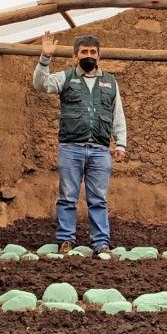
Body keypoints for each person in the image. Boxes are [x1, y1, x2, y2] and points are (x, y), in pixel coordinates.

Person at [33, 31, 127, 258]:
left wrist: (121, 144)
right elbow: (41, 84)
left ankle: (101, 243)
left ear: (99, 56)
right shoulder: (66, 78)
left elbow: (118, 115)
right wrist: (45, 58)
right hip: (71, 148)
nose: (89, 55)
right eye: (84, 52)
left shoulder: (110, 82)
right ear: (76, 56)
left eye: (92, 52)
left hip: (100, 150)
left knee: (98, 199)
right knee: (67, 197)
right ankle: (66, 240)